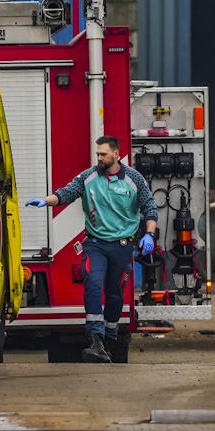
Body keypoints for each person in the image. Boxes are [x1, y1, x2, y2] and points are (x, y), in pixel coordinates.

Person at [42, 135, 158, 363]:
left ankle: (110, 339)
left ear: (116, 154)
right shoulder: (89, 176)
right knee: (93, 285)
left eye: (103, 154)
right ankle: (95, 339)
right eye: (97, 154)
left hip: (122, 246)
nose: (99, 158)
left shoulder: (134, 179)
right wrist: (46, 200)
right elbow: (67, 192)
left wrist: (149, 235)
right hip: (95, 244)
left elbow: (150, 208)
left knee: (115, 295)